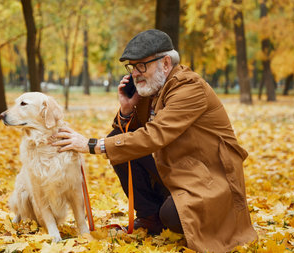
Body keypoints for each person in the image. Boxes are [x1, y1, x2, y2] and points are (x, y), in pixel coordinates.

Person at [52, 29, 257, 253]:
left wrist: (91, 145)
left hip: (209, 179)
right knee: (117, 141)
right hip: (180, 170)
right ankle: (150, 217)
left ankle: (163, 214)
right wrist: (127, 109)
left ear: (166, 63)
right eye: (132, 67)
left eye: (142, 66)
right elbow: (128, 138)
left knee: (172, 215)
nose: (136, 74)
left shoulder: (190, 89)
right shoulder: (152, 92)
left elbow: (154, 135)